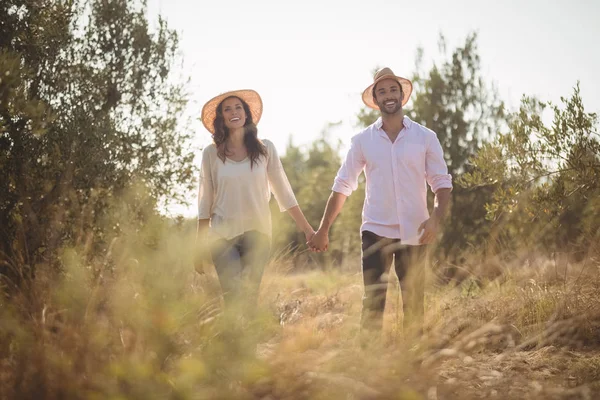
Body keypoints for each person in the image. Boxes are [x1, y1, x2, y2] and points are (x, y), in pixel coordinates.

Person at [308, 68, 453, 335]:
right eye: (382, 91)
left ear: (402, 96)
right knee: (373, 302)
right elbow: (342, 186)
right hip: (375, 232)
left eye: (393, 90)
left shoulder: (425, 137)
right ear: (375, 99)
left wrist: (435, 219)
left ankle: (412, 362)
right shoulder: (363, 141)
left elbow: (441, 183)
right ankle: (369, 365)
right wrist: (323, 228)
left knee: (413, 303)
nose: (388, 96)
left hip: (416, 232)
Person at [195, 89, 314, 309]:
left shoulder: (265, 149)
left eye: (238, 107)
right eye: (227, 109)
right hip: (221, 236)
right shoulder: (211, 154)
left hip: (257, 234)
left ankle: (247, 344)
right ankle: (233, 343)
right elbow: (205, 201)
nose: (234, 112)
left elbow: (284, 192)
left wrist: (307, 230)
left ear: (247, 113)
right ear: (221, 117)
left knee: (249, 297)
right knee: (233, 295)